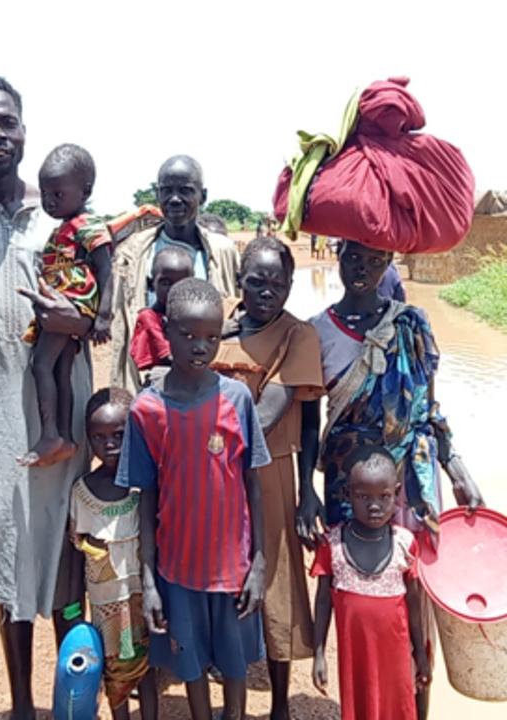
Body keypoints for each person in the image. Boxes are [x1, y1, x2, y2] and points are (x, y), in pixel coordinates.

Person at [0, 74, 91, 720]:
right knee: (9, 558)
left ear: (24, 133)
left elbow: (94, 301)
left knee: (62, 559)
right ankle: (24, 704)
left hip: (59, 408)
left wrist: (81, 321)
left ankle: (70, 699)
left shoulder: (58, 216)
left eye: (7, 122)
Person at [297, 239, 484, 719]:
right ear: (335, 256)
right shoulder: (317, 331)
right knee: (357, 599)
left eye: (375, 260)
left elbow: (427, 406)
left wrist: (456, 466)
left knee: (413, 595)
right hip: (346, 485)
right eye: (353, 257)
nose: (362, 268)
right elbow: (308, 420)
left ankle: (417, 704)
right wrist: (306, 495)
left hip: (409, 484)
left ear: (389, 264)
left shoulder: (411, 325)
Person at [117, 278, 270, 720]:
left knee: (235, 662)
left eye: (211, 337)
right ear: (165, 330)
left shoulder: (236, 399)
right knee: (192, 664)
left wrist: (258, 562)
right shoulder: (147, 409)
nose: (201, 347)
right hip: (178, 569)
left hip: (233, 568)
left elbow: (253, 484)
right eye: (188, 336)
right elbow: (145, 501)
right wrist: (148, 581)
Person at [212, 236, 323, 720]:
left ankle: (279, 706)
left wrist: (307, 494)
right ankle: (228, 700)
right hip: (210, 473)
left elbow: (270, 415)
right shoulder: (216, 322)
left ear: (291, 286)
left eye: (277, 284)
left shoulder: (298, 337)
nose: (266, 293)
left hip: (270, 470)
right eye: (256, 281)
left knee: (275, 582)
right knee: (219, 578)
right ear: (239, 280)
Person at [311, 445, 431, 720]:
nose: (374, 505)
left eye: (384, 496)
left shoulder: (404, 543)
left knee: (396, 709)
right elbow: (322, 602)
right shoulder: (333, 543)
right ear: (347, 494)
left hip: (396, 660)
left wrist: (420, 655)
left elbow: (413, 604)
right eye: (363, 496)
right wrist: (318, 653)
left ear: (397, 493)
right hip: (356, 662)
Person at [111, 155, 239, 393]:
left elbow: (236, 317)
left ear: (203, 196)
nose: (175, 199)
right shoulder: (133, 252)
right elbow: (121, 327)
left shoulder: (223, 252)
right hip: (151, 382)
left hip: (209, 382)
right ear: (158, 195)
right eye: (167, 190)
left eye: (186, 190)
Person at [19, 144, 113, 467]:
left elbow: (106, 270)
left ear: (85, 191)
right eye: (45, 193)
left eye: (58, 194)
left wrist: (103, 316)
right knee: (60, 369)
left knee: (41, 364)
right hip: (66, 301)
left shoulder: (89, 225)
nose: (49, 201)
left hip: (71, 303)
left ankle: (50, 435)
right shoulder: (64, 228)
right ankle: (64, 437)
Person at [69, 387, 158, 720]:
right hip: (105, 601)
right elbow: (78, 540)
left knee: (147, 669)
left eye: (119, 435)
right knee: (115, 673)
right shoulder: (82, 492)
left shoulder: (142, 486)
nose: (109, 444)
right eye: (99, 437)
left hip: (141, 595)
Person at [129, 245, 193, 382]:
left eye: (181, 283)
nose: (174, 290)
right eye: (166, 282)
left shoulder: (192, 315)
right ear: (151, 284)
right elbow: (169, 356)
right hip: (161, 386)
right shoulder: (149, 317)